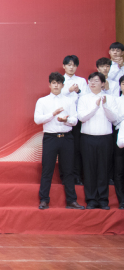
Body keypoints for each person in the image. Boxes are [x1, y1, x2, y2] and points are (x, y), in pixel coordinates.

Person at [34, 72, 85, 210]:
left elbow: (75, 120)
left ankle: (71, 201)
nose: (56, 85)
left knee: (68, 170)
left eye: (59, 83)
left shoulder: (69, 101)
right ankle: (44, 200)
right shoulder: (42, 101)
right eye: (53, 83)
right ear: (49, 85)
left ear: (63, 85)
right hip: (50, 138)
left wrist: (65, 120)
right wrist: (53, 114)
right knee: (47, 169)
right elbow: (37, 119)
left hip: (67, 138)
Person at [77, 72, 119, 210]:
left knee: (103, 169)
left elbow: (114, 119)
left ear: (103, 83)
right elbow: (82, 117)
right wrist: (95, 106)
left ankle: (103, 200)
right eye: (90, 80)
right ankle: (91, 200)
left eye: (96, 80)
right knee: (89, 169)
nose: (92, 83)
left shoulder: (110, 98)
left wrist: (105, 106)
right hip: (87, 138)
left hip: (105, 138)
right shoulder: (83, 98)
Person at [61, 55, 87, 185]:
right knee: (64, 149)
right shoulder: (60, 80)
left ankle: (77, 176)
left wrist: (78, 91)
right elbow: (57, 95)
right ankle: (64, 176)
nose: (71, 67)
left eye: (74, 65)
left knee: (77, 149)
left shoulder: (81, 81)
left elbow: (86, 97)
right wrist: (69, 90)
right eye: (69, 65)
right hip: (62, 118)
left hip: (77, 119)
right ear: (64, 66)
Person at [114, 75, 124, 210]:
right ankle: (122, 200)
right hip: (118, 135)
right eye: (123, 84)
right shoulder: (116, 101)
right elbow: (115, 119)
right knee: (119, 170)